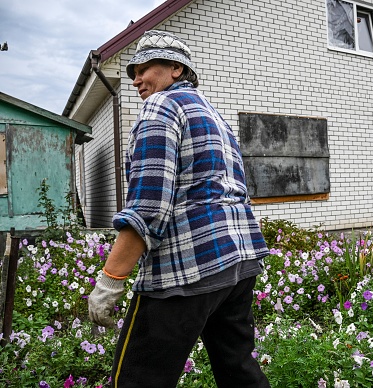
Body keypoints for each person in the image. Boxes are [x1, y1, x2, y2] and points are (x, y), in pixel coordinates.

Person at [88, 30, 271, 388]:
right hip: (239, 264)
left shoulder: (161, 106)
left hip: (185, 269)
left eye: (144, 69)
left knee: (137, 380)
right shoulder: (214, 115)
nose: (137, 79)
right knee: (239, 372)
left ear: (175, 68)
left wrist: (111, 280)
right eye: (132, 72)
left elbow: (148, 206)